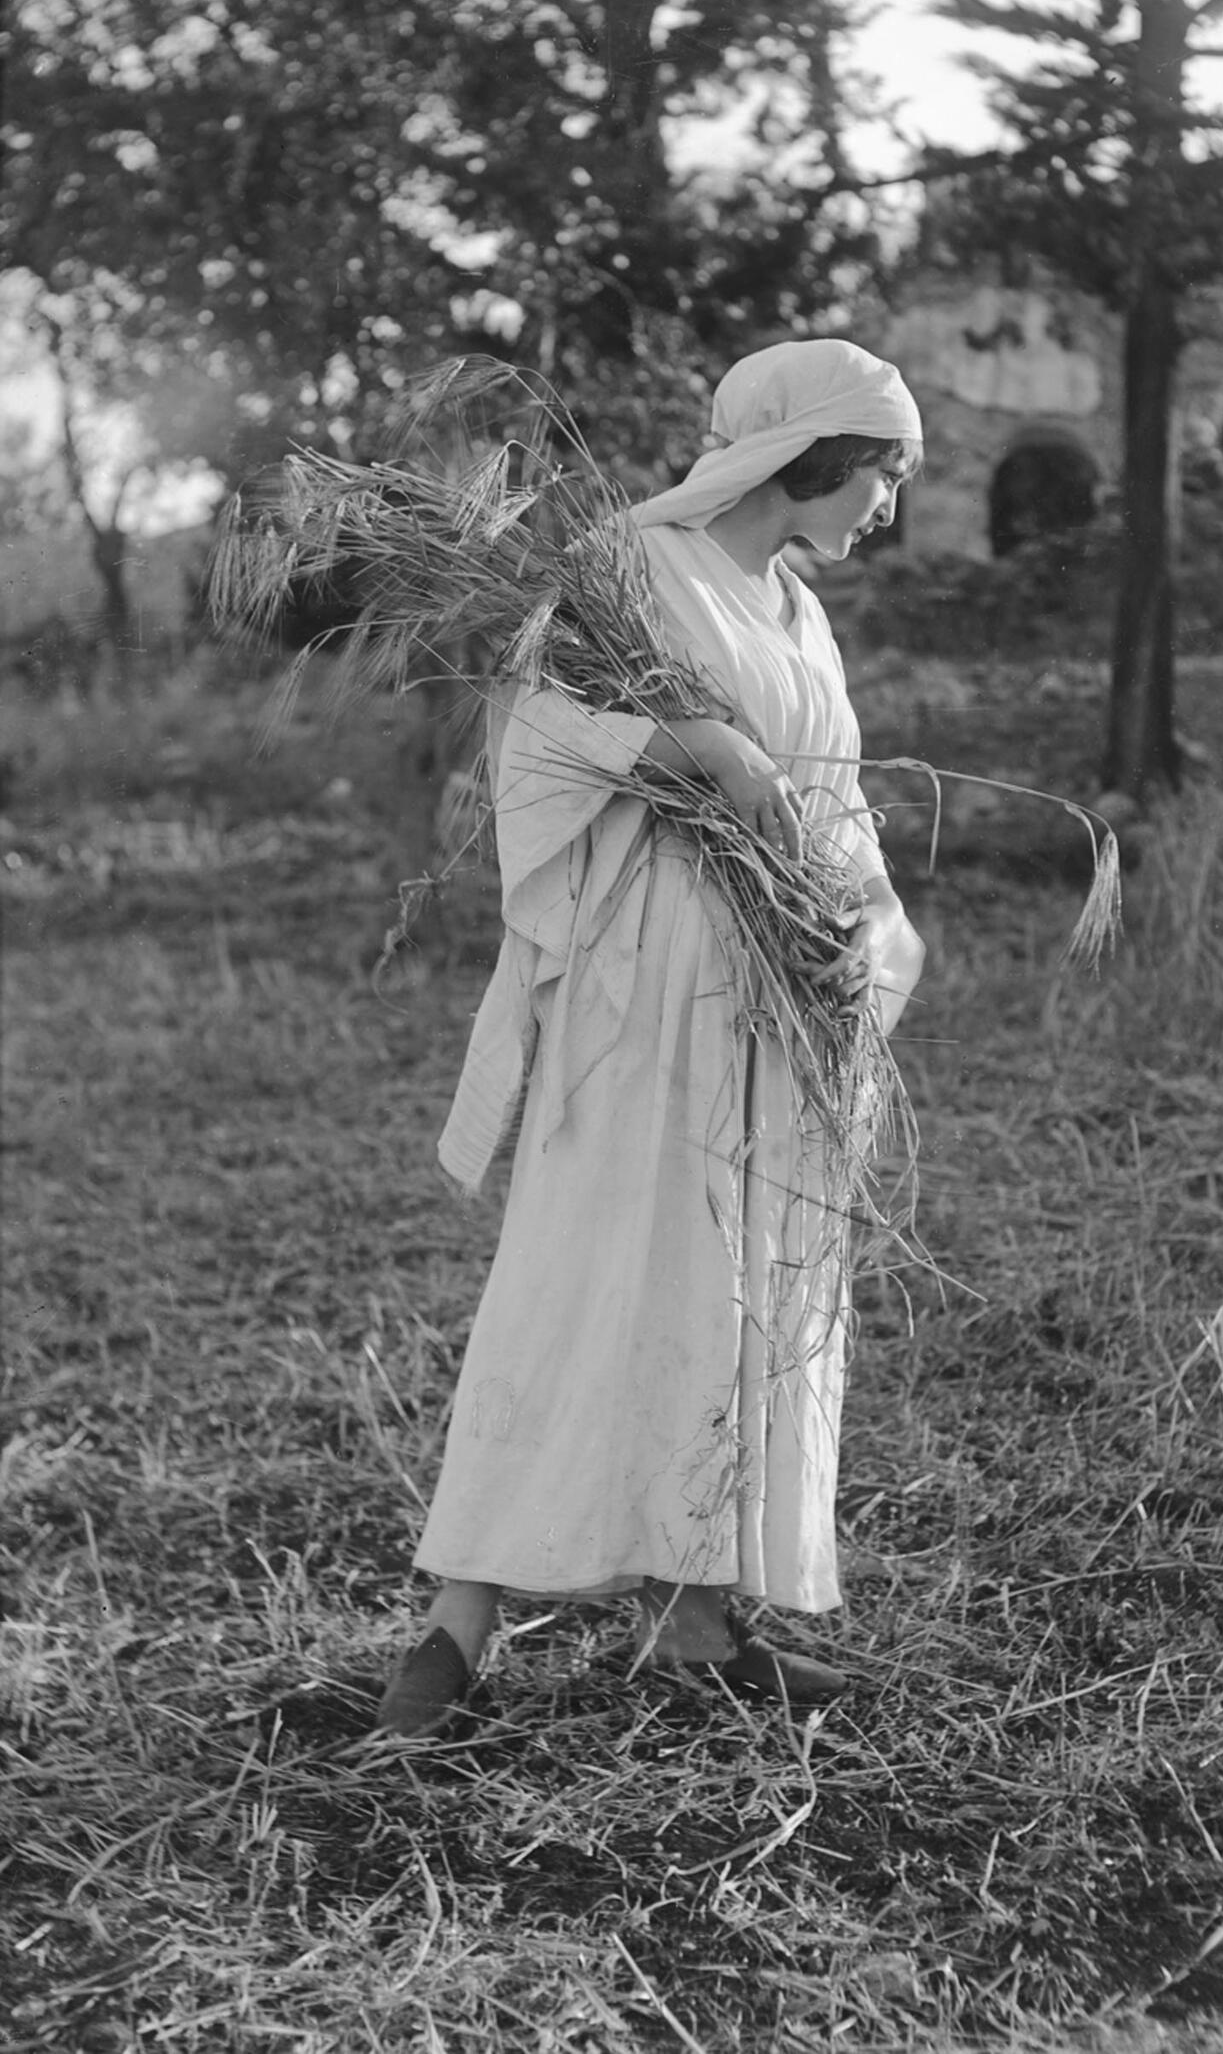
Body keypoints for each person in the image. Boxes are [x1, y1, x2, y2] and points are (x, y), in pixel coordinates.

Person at [377, 338, 926, 1735]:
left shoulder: (799, 614)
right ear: (804, 455)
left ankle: (695, 1614)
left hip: (775, 986)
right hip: (653, 970)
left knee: (748, 1280)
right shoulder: (628, 570)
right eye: (880, 472)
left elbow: (837, 798)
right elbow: (541, 730)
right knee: (591, 1262)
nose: (887, 506)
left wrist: (858, 929)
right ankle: (456, 1621)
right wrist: (705, 755)